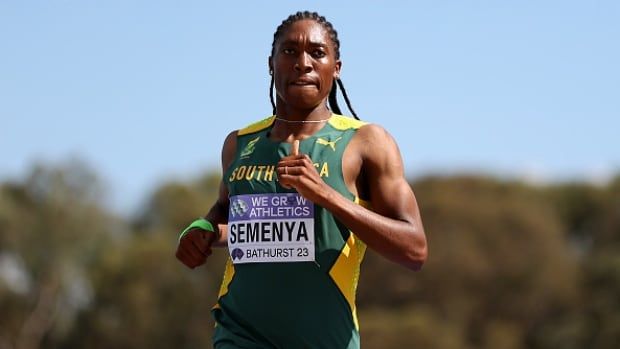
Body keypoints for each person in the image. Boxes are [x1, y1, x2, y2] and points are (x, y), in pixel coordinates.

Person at [175, 11, 427, 349]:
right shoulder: (240, 143)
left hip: (326, 340)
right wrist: (202, 231)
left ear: (336, 67)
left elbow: (414, 249)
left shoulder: (367, 143)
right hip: (240, 335)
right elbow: (229, 213)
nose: (303, 63)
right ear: (271, 62)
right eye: (290, 51)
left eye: (317, 53)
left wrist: (325, 195)